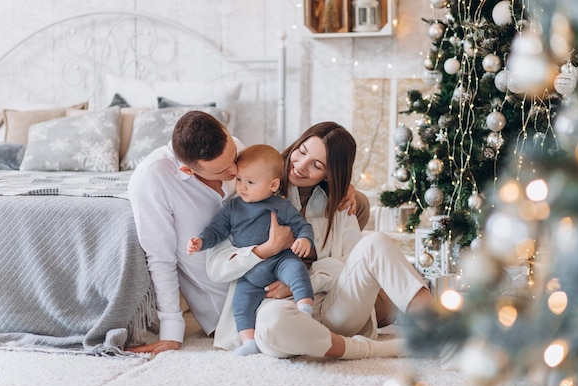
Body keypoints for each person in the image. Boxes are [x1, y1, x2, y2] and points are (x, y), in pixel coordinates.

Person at [126, 110, 363, 355]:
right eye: (223, 171)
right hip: (232, 303)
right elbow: (161, 259)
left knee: (357, 206)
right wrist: (172, 332)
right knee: (279, 332)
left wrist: (342, 184)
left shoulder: (235, 148)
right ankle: (361, 347)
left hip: (277, 275)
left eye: (234, 158)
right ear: (188, 171)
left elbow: (272, 174)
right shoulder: (152, 179)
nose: (234, 171)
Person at [206, 121, 435, 359]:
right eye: (302, 152)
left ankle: (442, 330)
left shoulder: (340, 203)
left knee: (375, 242)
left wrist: (303, 281)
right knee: (273, 324)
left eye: (317, 165)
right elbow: (216, 267)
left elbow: (352, 262)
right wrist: (264, 250)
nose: (300, 166)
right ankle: (379, 350)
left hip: (334, 308)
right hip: (276, 310)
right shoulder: (250, 190)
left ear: (330, 173)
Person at [186, 144, 315, 356]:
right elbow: (216, 230)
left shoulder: (280, 205)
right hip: (251, 270)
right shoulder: (233, 207)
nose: (242, 187)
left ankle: (305, 309)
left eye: (250, 182)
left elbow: (302, 225)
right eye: (239, 180)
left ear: (273, 185)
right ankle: (248, 342)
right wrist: (201, 241)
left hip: (281, 260)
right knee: (240, 304)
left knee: (297, 272)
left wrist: (304, 239)